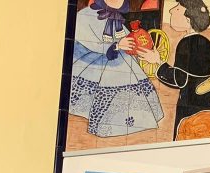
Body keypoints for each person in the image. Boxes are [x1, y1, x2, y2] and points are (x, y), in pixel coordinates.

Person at [69, 0, 165, 138]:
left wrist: (136, 49)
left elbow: (126, 41)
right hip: (90, 60)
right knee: (113, 74)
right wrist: (117, 45)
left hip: (115, 58)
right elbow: (91, 45)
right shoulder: (85, 15)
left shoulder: (117, 19)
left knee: (128, 70)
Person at [136, 0, 210, 138]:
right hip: (209, 104)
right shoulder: (204, 42)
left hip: (193, 107)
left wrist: (157, 62)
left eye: (176, 9)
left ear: (188, 20)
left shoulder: (188, 43)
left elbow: (179, 80)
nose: (171, 11)